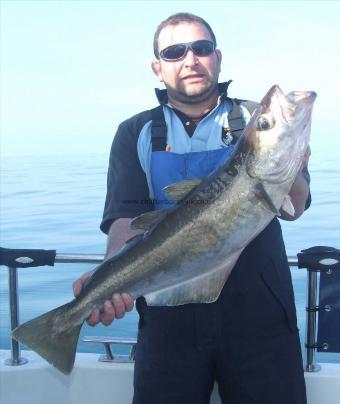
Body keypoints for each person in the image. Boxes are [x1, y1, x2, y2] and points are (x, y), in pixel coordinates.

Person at [73, 13, 311, 404]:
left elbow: (294, 207)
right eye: (174, 51)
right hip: (169, 319)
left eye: (201, 49)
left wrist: (293, 162)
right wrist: (109, 278)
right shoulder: (135, 132)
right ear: (158, 66)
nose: (190, 60)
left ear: (217, 57)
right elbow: (125, 221)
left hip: (260, 315)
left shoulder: (254, 120)